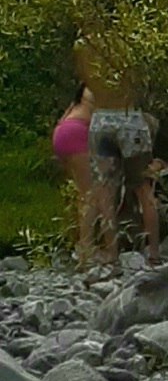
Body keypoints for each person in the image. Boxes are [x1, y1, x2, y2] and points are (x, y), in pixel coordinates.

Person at [79, 44, 161, 266]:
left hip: (101, 120)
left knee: (105, 191)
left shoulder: (85, 49)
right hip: (129, 119)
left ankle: (111, 254)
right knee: (144, 187)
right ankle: (153, 253)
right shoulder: (129, 45)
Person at [52, 89, 96, 262]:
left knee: (82, 194)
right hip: (76, 133)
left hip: (62, 131)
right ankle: (86, 248)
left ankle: (81, 241)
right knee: (90, 194)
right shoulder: (95, 88)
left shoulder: (80, 94)